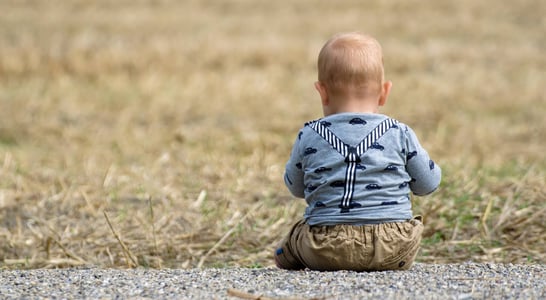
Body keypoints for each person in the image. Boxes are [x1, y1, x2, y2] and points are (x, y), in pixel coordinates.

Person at [274, 32, 441, 271]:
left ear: (321, 91)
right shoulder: (399, 132)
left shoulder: (309, 134)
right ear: (385, 92)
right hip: (394, 246)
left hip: (325, 249)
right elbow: (428, 184)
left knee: (296, 235)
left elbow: (295, 187)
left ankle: (285, 255)